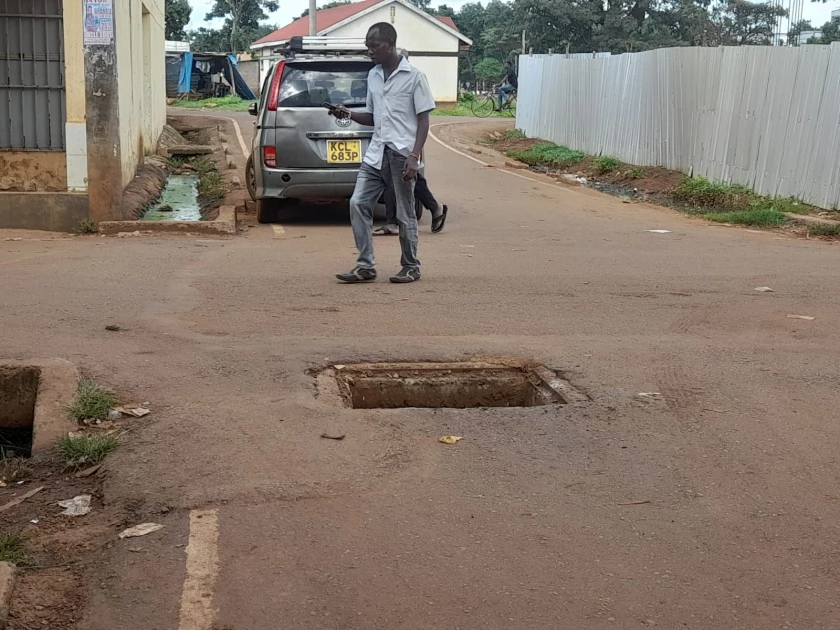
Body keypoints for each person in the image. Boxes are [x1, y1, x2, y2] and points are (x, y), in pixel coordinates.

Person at [330, 23, 435, 284]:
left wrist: (415, 156)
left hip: (401, 154)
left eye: (373, 46)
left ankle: (411, 266)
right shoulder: (374, 76)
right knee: (358, 203)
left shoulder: (414, 77)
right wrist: (349, 114)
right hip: (376, 153)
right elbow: (373, 117)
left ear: (390, 44)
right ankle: (366, 266)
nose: (369, 52)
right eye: (367, 46)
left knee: (404, 213)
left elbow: (424, 121)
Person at [375, 49, 448, 237]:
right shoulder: (380, 79)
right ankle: (395, 220)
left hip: (409, 140)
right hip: (389, 140)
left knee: (409, 178)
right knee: (392, 180)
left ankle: (433, 208)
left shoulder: (414, 79)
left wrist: (415, 152)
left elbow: (422, 118)